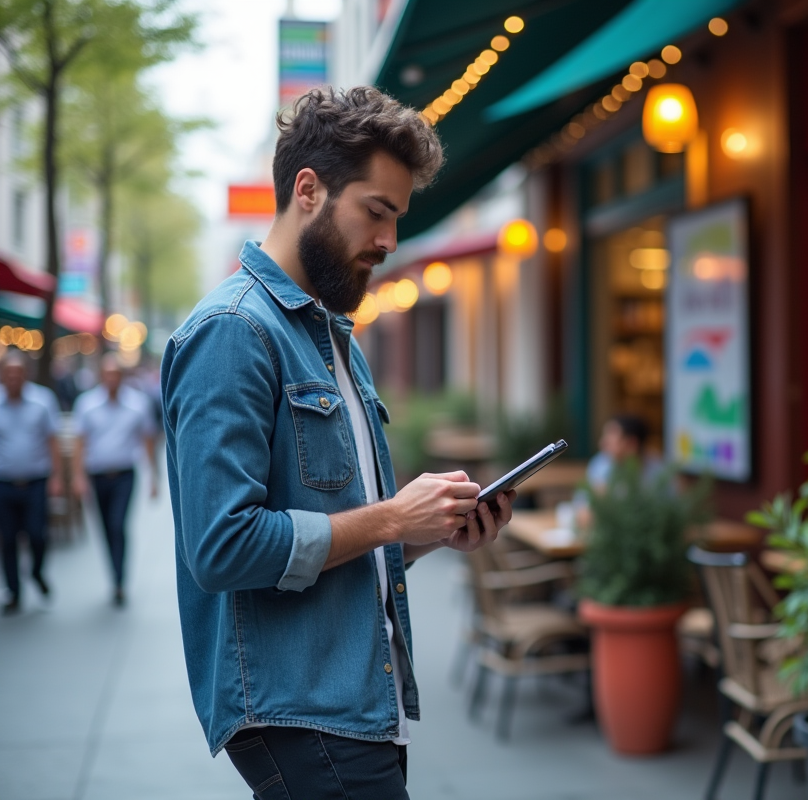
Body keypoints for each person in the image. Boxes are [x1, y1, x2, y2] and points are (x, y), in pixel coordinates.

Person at [160, 86, 514, 799]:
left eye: (397, 218)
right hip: (301, 710)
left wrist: (429, 532)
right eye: (376, 211)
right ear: (310, 190)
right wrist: (391, 517)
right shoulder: (234, 331)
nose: (388, 241)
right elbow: (220, 545)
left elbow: (338, 544)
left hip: (350, 703)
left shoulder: (333, 341)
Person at [72, 353, 158, 607]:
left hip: (124, 475)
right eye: (107, 374)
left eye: (116, 374)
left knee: (117, 524)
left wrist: (153, 476)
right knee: (105, 528)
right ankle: (114, 573)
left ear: (122, 377)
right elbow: (80, 443)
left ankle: (120, 581)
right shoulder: (86, 404)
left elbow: (148, 439)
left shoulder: (137, 403)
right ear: (101, 376)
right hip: (97, 475)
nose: (111, 379)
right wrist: (78, 477)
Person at [0, 350, 62, 615]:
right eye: (8, 373)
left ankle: (36, 572)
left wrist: (58, 476)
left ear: (26, 374)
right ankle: (14, 590)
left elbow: (53, 441)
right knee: (8, 539)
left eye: (18, 373)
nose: (13, 378)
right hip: (5, 482)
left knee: (37, 534)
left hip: (37, 480)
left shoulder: (42, 401)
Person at [586, 413, 665, 492]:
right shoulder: (600, 464)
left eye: (609, 443)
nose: (601, 444)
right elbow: (582, 500)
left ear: (631, 443)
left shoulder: (657, 471)